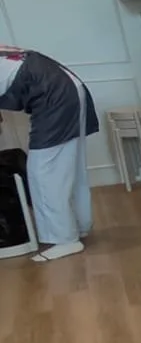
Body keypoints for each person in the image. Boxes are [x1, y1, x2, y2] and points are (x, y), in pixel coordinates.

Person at [0, 46, 98, 261]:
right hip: (67, 86)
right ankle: (79, 226)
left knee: (44, 174)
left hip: (53, 95)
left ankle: (65, 240)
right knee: (68, 167)